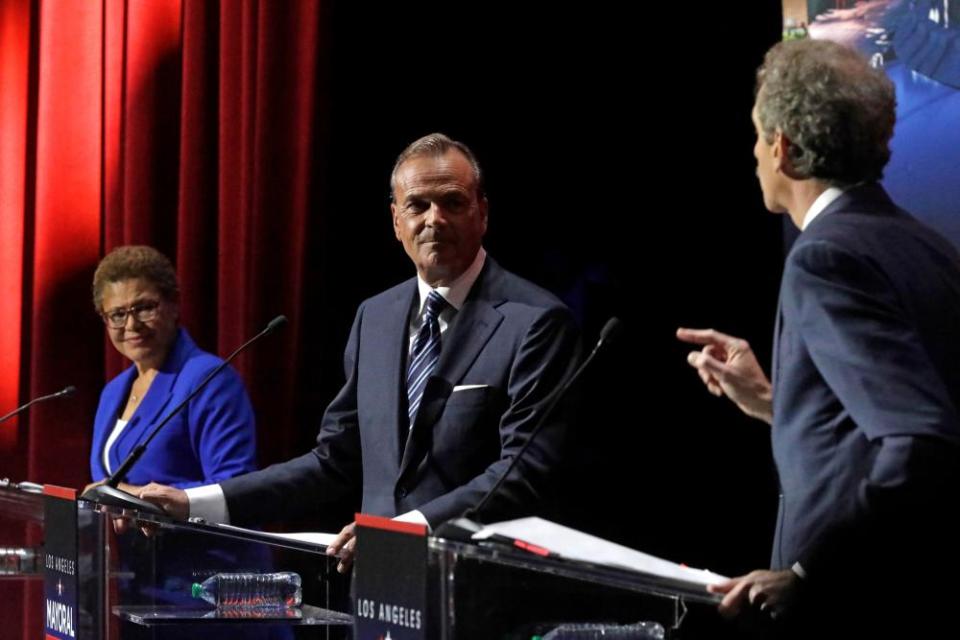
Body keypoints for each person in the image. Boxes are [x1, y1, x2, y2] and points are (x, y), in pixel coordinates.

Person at [132, 133, 579, 573]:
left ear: (482, 212)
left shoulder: (534, 321)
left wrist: (405, 530)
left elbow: (523, 472)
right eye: (417, 205)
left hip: (477, 593)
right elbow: (334, 460)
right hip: (382, 592)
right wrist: (193, 502)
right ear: (395, 221)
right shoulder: (376, 318)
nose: (434, 219)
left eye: (454, 203)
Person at [677, 39, 960, 636]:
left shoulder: (824, 258)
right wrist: (776, 404)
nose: (753, 154)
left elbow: (919, 440)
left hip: (856, 605)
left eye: (756, 136)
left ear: (781, 148)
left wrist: (808, 574)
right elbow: (885, 421)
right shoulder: (927, 245)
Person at [88, 245, 258, 490]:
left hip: (186, 530)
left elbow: (234, 485)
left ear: (174, 304)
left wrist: (134, 498)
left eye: (145, 308)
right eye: (117, 314)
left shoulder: (209, 379)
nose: (132, 324)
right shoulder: (112, 392)